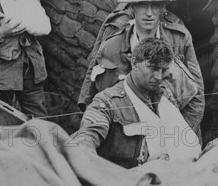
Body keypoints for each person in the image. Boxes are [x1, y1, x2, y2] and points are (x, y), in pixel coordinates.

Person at [78, 0, 205, 136]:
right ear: (133, 8)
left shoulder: (179, 39)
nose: (149, 13)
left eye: (155, 6)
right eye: (143, 5)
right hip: (126, 132)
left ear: (162, 8)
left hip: (173, 129)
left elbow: (197, 94)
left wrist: (181, 136)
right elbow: (90, 94)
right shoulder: (112, 45)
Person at [71, 38, 201, 169]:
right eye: (153, 68)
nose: (159, 76)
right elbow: (86, 138)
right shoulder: (107, 102)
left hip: (166, 178)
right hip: (124, 183)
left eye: (163, 70)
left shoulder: (164, 97)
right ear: (134, 63)